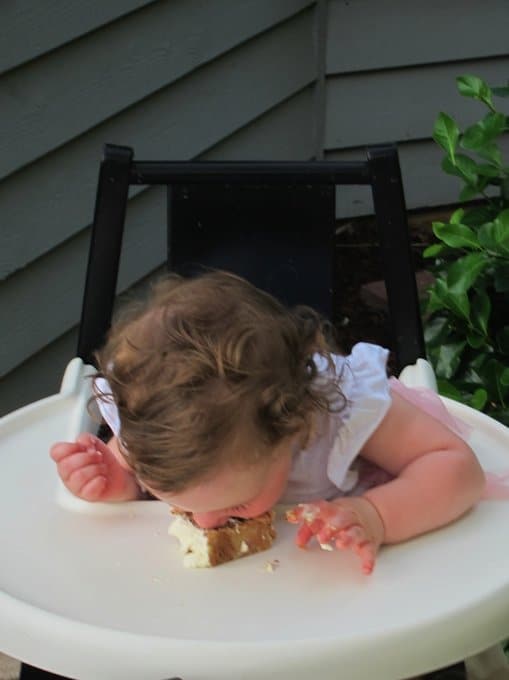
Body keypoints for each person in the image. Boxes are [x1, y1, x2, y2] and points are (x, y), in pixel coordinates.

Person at [50, 271, 485, 574]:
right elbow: (128, 468)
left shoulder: (341, 410)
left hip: (326, 596)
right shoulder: (151, 415)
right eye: (178, 500)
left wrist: (376, 516)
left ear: (296, 427)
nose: (208, 525)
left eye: (238, 504)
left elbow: (456, 466)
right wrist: (117, 482)